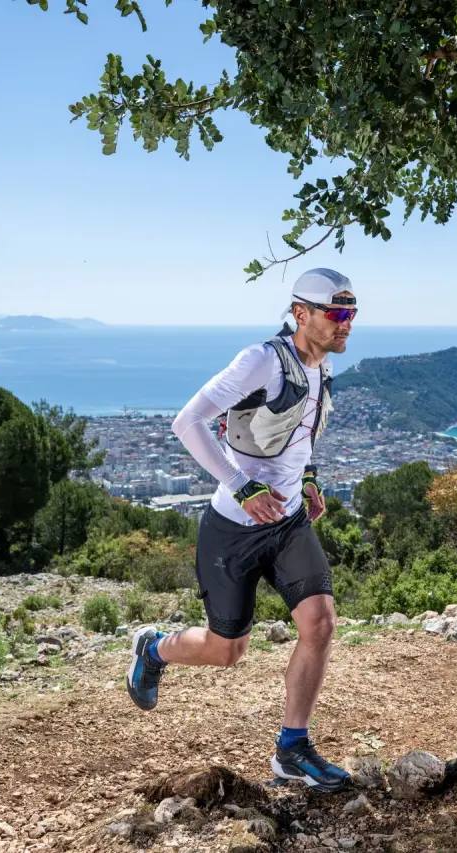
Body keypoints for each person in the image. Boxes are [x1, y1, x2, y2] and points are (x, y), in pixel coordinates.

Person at [125, 268, 358, 792]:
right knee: (227, 650)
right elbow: (187, 421)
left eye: (352, 313)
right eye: (337, 313)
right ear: (300, 313)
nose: (346, 323)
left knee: (320, 624)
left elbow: (299, 434)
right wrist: (241, 485)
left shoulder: (321, 367)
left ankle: (292, 749)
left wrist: (309, 478)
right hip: (233, 529)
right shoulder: (261, 360)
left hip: (288, 522)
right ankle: (154, 649)